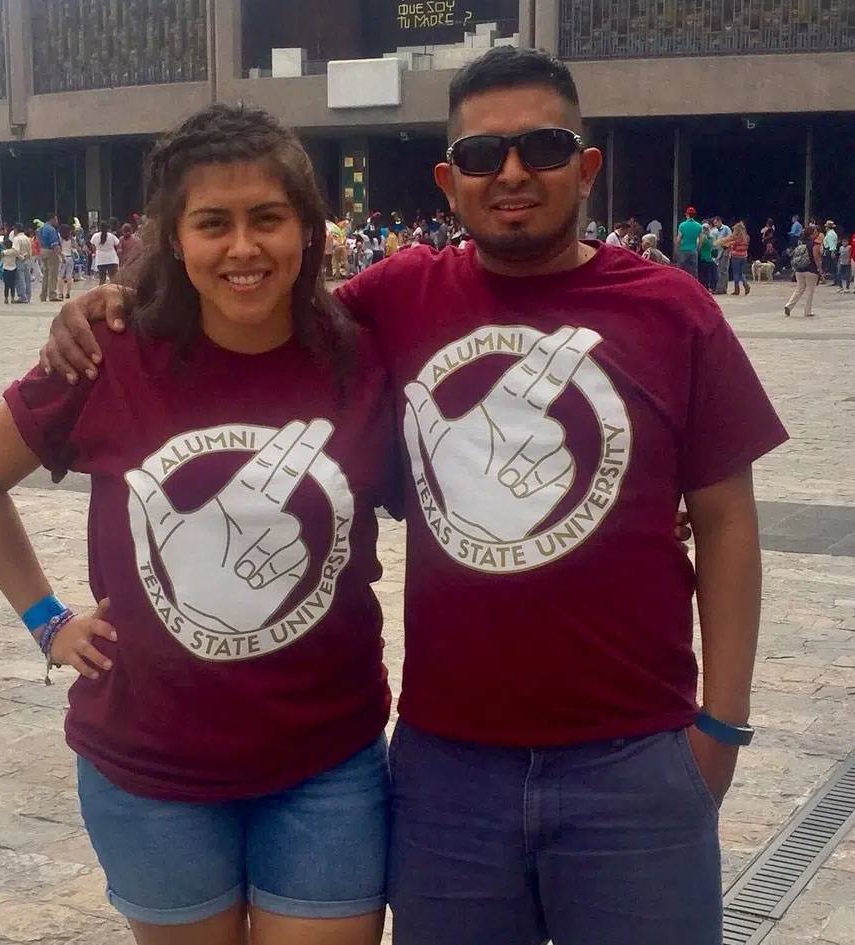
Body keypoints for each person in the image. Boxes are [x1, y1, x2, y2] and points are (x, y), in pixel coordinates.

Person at [43, 47, 786, 945]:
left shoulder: (674, 309)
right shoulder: (394, 297)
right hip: (448, 767)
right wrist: (116, 300)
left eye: (542, 147)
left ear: (586, 165)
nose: (510, 173)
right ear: (449, 179)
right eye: (481, 155)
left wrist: (722, 724)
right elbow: (260, 306)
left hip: (632, 755)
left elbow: (725, 522)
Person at [0, 104, 396, 945]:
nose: (242, 248)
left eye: (267, 218)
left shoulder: (364, 358)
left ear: (307, 227)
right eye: (212, 223)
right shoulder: (108, 353)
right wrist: (47, 620)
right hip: (150, 767)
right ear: (174, 236)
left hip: (326, 762)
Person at [785, 226, 821, 317]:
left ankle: (789, 305)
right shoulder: (814, 244)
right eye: (816, 232)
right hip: (811, 270)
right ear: (812, 234)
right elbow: (816, 258)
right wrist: (820, 269)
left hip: (799, 270)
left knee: (799, 289)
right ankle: (807, 311)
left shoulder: (801, 244)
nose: (817, 233)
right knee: (810, 291)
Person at [38, 213, 62, 302]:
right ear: (51, 219)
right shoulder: (51, 230)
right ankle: (52, 294)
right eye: (56, 219)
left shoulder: (41, 228)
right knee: (53, 274)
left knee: (45, 274)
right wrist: (61, 256)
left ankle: (43, 295)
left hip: (43, 251)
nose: (57, 221)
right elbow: (55, 244)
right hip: (51, 252)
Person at [725, 220, 751, 296]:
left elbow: (733, 247)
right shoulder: (746, 237)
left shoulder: (736, 238)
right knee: (741, 273)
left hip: (736, 256)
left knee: (736, 273)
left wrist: (730, 248)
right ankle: (746, 284)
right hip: (744, 256)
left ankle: (737, 290)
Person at [674, 206, 702, 277]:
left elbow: (679, 238)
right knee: (694, 270)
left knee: (682, 269)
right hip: (693, 250)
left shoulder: (682, 225)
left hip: (683, 250)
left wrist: (676, 248)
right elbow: (701, 239)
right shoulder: (699, 226)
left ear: (687, 215)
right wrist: (698, 248)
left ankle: (682, 284)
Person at [10, 223, 33, 303]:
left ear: (16, 229)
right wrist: (27, 257)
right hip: (27, 260)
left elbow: (15, 251)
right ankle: (28, 295)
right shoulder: (27, 238)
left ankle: (22, 296)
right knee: (27, 278)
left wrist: (21, 257)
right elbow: (30, 250)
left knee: (20, 278)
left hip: (20, 260)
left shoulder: (16, 239)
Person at [710, 216, 732, 295]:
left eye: (716, 223)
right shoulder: (715, 231)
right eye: (714, 224)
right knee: (719, 271)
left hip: (725, 252)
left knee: (723, 271)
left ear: (720, 221)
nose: (715, 225)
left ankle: (722, 289)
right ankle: (719, 288)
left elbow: (731, 239)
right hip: (718, 254)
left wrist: (728, 251)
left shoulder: (726, 229)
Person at [58, 224, 75, 300]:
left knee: (60, 276)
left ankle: (61, 293)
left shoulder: (60, 239)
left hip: (62, 257)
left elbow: (58, 248)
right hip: (70, 257)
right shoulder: (71, 239)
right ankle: (68, 293)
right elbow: (75, 247)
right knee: (69, 276)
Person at [697, 223, 716, 290]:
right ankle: (708, 287)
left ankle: (704, 288)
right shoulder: (711, 238)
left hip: (703, 257)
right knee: (708, 274)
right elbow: (712, 248)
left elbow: (699, 247)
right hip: (709, 257)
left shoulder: (703, 237)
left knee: (702, 274)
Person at [0, 238, 19, 303]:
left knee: (6, 285)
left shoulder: (4, 252)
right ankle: (13, 298)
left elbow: (1, 256)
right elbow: (19, 256)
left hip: (6, 269)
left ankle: (6, 298)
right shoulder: (14, 252)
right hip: (13, 268)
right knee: (12, 285)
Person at [822, 219, 839, 285]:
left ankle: (835, 280)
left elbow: (832, 244)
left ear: (828, 227)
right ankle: (835, 280)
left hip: (830, 250)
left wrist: (832, 252)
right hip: (831, 249)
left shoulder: (830, 234)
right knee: (833, 266)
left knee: (832, 266)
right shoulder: (832, 233)